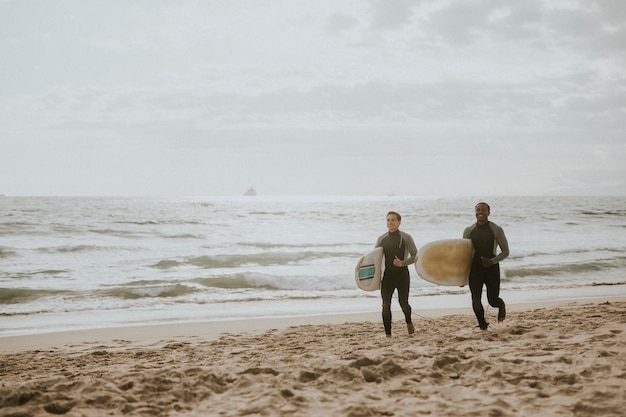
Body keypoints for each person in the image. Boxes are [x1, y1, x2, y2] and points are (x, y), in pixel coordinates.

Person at [463, 202, 509, 330]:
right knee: (476, 300)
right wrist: (461, 276)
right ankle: (483, 326)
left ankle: (501, 306)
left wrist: (492, 261)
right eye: (478, 210)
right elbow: (464, 255)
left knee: (493, 300)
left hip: (491, 269)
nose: (480, 212)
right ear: (475, 212)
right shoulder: (469, 230)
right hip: (475, 269)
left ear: (489, 212)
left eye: (483, 210)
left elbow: (505, 251)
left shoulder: (496, 229)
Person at [375, 211, 418, 337]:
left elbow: (416, 255)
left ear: (399, 222)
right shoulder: (381, 239)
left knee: (403, 303)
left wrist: (403, 263)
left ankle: (409, 321)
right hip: (387, 276)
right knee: (385, 304)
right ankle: (388, 333)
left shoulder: (406, 237)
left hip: (402, 275)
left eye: (393, 220)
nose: (390, 222)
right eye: (388, 220)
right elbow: (375, 258)